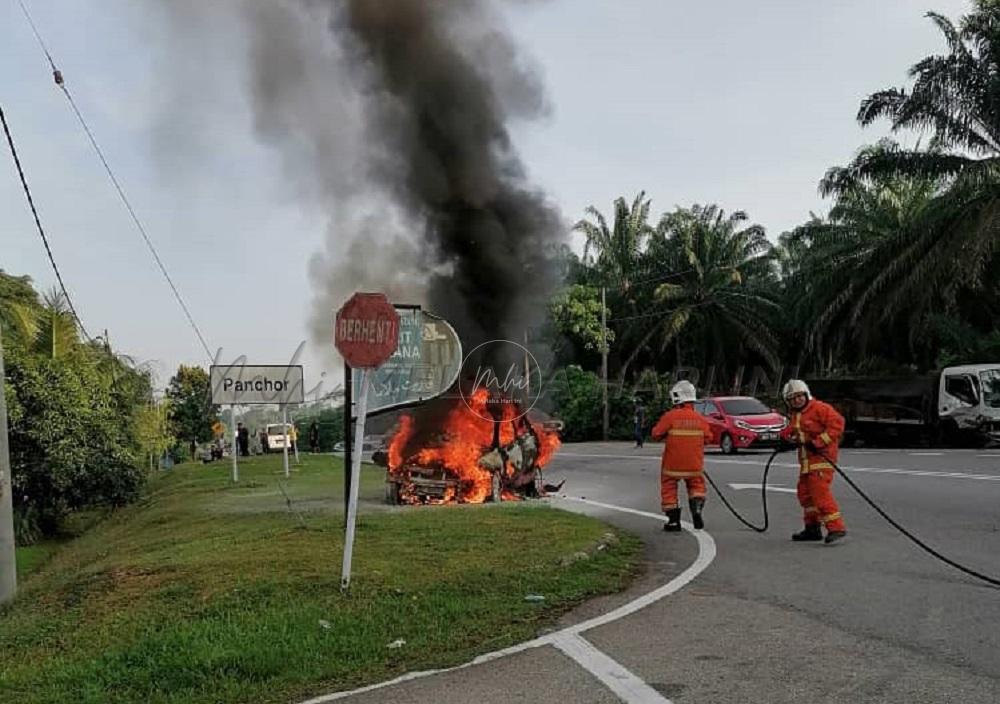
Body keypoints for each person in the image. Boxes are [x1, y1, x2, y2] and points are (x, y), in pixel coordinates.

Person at [779, 379, 848, 545]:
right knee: (805, 494)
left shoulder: (820, 408)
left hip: (822, 460)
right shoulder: (796, 415)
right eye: (792, 398)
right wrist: (783, 439)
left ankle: (836, 528)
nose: (797, 400)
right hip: (806, 462)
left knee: (820, 493)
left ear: (806, 394)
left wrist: (818, 442)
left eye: (799, 396)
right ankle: (812, 528)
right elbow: (792, 431)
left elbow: (837, 424)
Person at [651, 381, 712, 532]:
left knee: (669, 486)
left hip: (672, 465)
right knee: (697, 485)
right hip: (694, 465)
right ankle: (696, 509)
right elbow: (709, 438)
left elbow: (656, 434)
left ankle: (673, 521)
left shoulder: (670, 416)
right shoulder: (700, 419)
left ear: (677, 398)